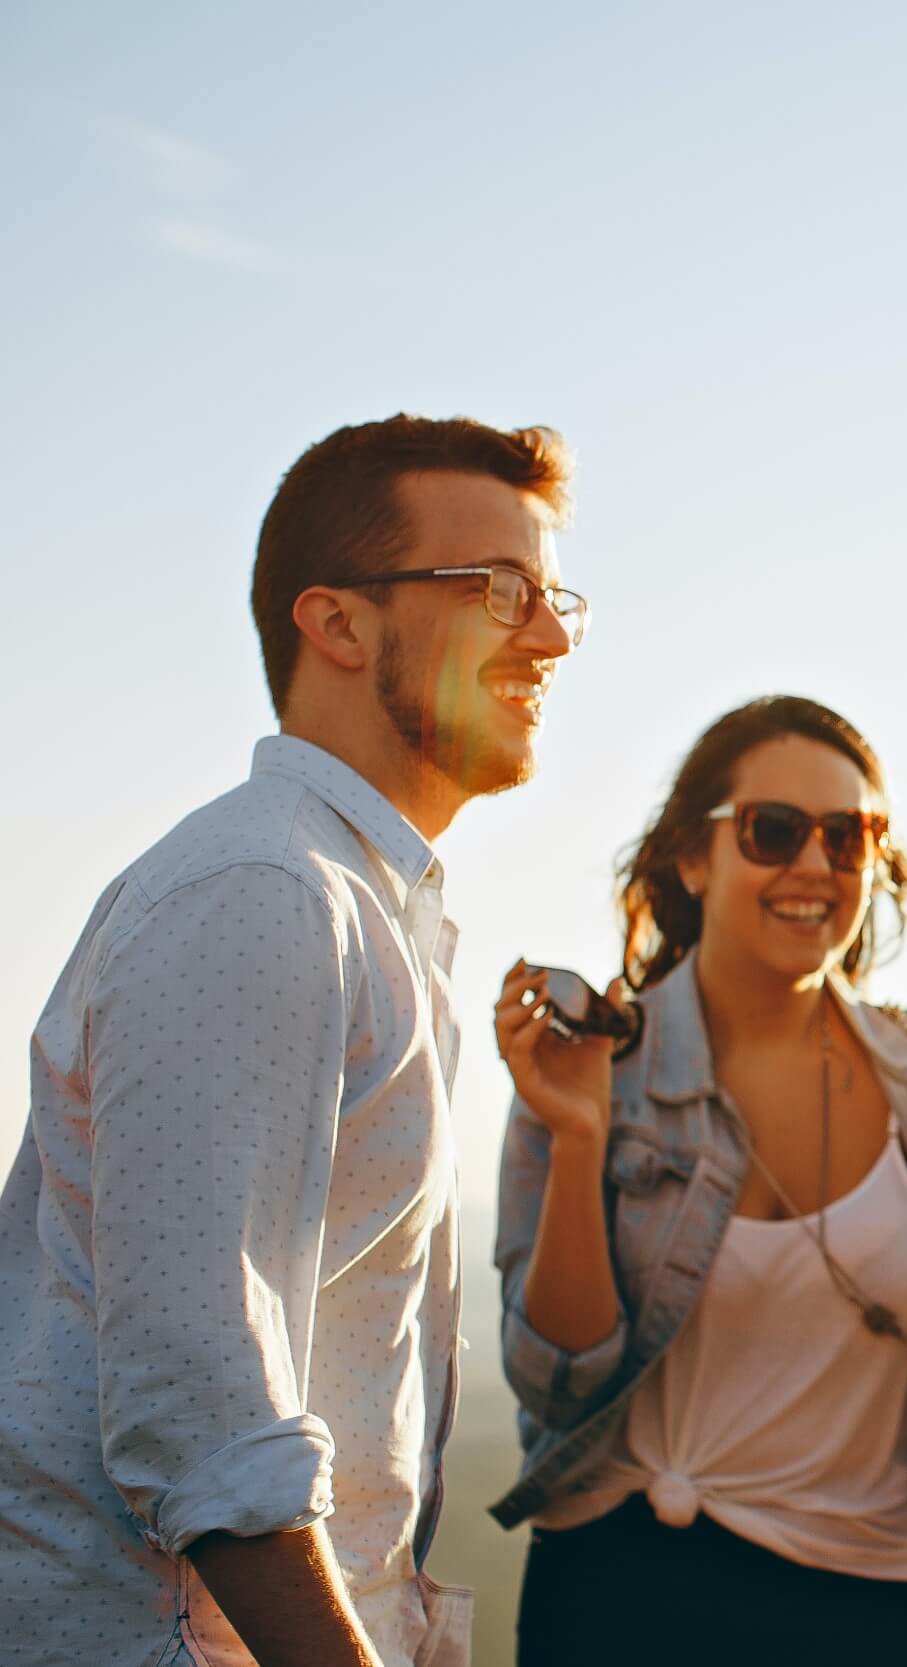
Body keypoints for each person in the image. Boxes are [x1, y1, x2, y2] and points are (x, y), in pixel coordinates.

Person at [0, 415, 583, 1666]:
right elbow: (208, 1417)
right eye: (500, 589)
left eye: (553, 596)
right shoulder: (266, 890)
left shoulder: (361, 905)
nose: (549, 634)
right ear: (339, 622)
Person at [488, 695, 907, 1667]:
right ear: (693, 856)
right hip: (612, 1601)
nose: (814, 865)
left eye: (850, 836)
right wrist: (578, 1137)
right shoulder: (590, 1065)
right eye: (775, 830)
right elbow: (557, 1381)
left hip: (863, 1611)